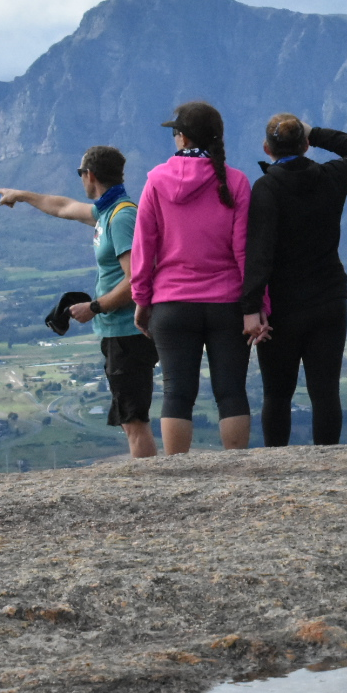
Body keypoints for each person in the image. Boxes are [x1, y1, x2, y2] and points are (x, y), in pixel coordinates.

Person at [0, 146, 158, 458]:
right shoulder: (107, 211)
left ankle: (149, 484)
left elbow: (136, 278)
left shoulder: (121, 218)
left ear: (89, 175)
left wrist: (95, 307)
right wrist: (22, 195)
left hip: (127, 332)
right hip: (119, 332)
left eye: (81, 175)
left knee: (133, 420)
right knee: (128, 418)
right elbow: (63, 206)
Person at [241, 114, 347, 445]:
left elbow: (260, 254)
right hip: (329, 299)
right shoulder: (331, 177)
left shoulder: (266, 188)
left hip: (282, 307)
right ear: (305, 145)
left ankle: (276, 466)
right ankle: (327, 464)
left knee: (277, 394)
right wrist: (314, 132)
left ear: (266, 148)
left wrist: (251, 306)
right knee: (326, 392)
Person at [130, 102, 253, 454]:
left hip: (171, 303)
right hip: (228, 303)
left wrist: (142, 299)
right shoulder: (236, 182)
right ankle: (237, 470)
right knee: (231, 391)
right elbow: (244, 251)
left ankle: (177, 476)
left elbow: (144, 246)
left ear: (181, 137)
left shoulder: (155, 180)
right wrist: (255, 305)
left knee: (177, 393)